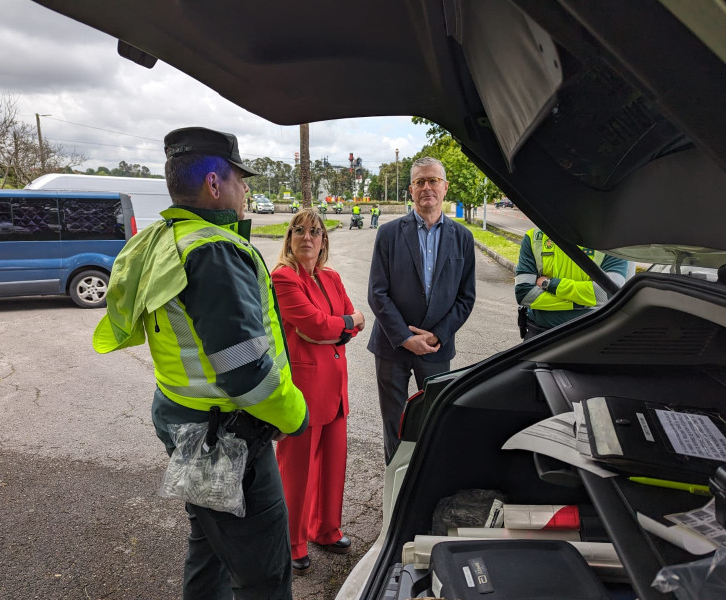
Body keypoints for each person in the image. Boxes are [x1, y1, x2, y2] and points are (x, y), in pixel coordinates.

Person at [92, 126, 308, 600]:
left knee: (210, 549)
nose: (246, 190)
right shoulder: (213, 251)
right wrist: (295, 415)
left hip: (185, 423)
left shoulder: (162, 238)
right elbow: (243, 368)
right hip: (225, 439)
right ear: (214, 184)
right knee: (263, 575)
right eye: (241, 180)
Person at [271, 209, 365, 575]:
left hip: (335, 387)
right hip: (304, 390)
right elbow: (314, 324)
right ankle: (292, 542)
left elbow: (340, 324)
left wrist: (340, 326)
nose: (307, 237)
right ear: (289, 239)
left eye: (314, 231)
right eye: (299, 231)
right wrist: (347, 324)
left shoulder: (332, 276)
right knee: (296, 470)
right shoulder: (284, 278)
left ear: (324, 240)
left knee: (333, 465)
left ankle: (326, 530)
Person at [367, 157, 476, 462]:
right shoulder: (388, 234)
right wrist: (404, 337)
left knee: (433, 421)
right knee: (394, 423)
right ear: (411, 190)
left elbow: (466, 297)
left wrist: (437, 336)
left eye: (433, 180)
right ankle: (396, 483)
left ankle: (423, 483)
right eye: (420, 182)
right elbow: (377, 292)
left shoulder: (463, 238)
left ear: (445, 187)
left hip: (436, 348)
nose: (427, 187)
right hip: (392, 346)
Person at [515, 228, 629, 340]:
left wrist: (549, 283)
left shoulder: (613, 241)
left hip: (592, 337)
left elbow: (607, 294)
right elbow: (525, 295)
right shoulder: (534, 237)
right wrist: (584, 303)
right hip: (539, 336)